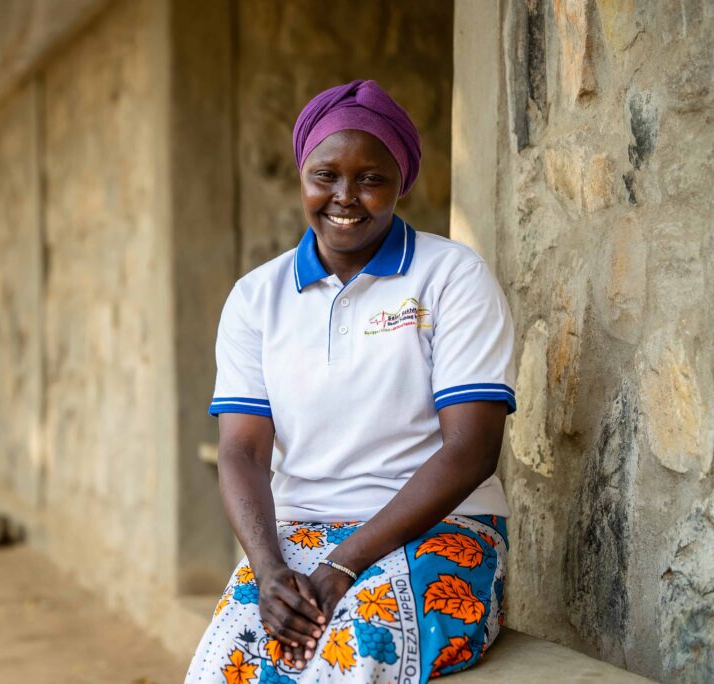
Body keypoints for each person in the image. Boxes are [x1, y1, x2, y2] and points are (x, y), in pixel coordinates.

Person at [186, 80, 516, 683]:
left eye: (371, 178)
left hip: (443, 528)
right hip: (298, 533)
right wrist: (268, 571)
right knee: (227, 666)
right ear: (302, 175)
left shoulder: (451, 277)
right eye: (326, 174)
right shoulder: (256, 298)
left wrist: (342, 566)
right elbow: (241, 450)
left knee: (351, 655)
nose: (346, 196)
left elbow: (471, 450)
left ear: (401, 183)